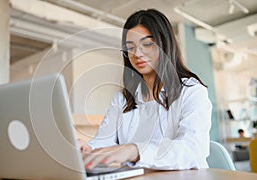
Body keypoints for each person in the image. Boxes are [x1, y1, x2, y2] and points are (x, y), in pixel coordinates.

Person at [80, 9, 212, 170]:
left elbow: (192, 150)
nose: (137, 53)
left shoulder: (192, 92)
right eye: (130, 47)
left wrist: (135, 150)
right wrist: (89, 149)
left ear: (165, 44)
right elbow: (104, 140)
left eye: (147, 44)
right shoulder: (122, 99)